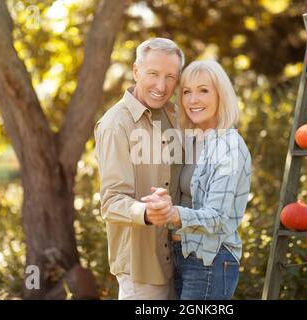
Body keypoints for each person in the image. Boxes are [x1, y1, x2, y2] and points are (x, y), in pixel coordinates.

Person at [142, 60, 252, 300]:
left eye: (203, 90)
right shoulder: (194, 140)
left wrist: (174, 214)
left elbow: (219, 218)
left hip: (210, 260)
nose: (193, 100)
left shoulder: (229, 146)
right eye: (186, 92)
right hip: (184, 255)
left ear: (220, 95)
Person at [94, 38, 185, 300]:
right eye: (153, 74)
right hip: (141, 268)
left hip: (178, 262)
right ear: (136, 71)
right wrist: (145, 212)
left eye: (170, 77)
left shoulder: (175, 115)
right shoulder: (115, 125)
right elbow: (111, 202)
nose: (161, 85)